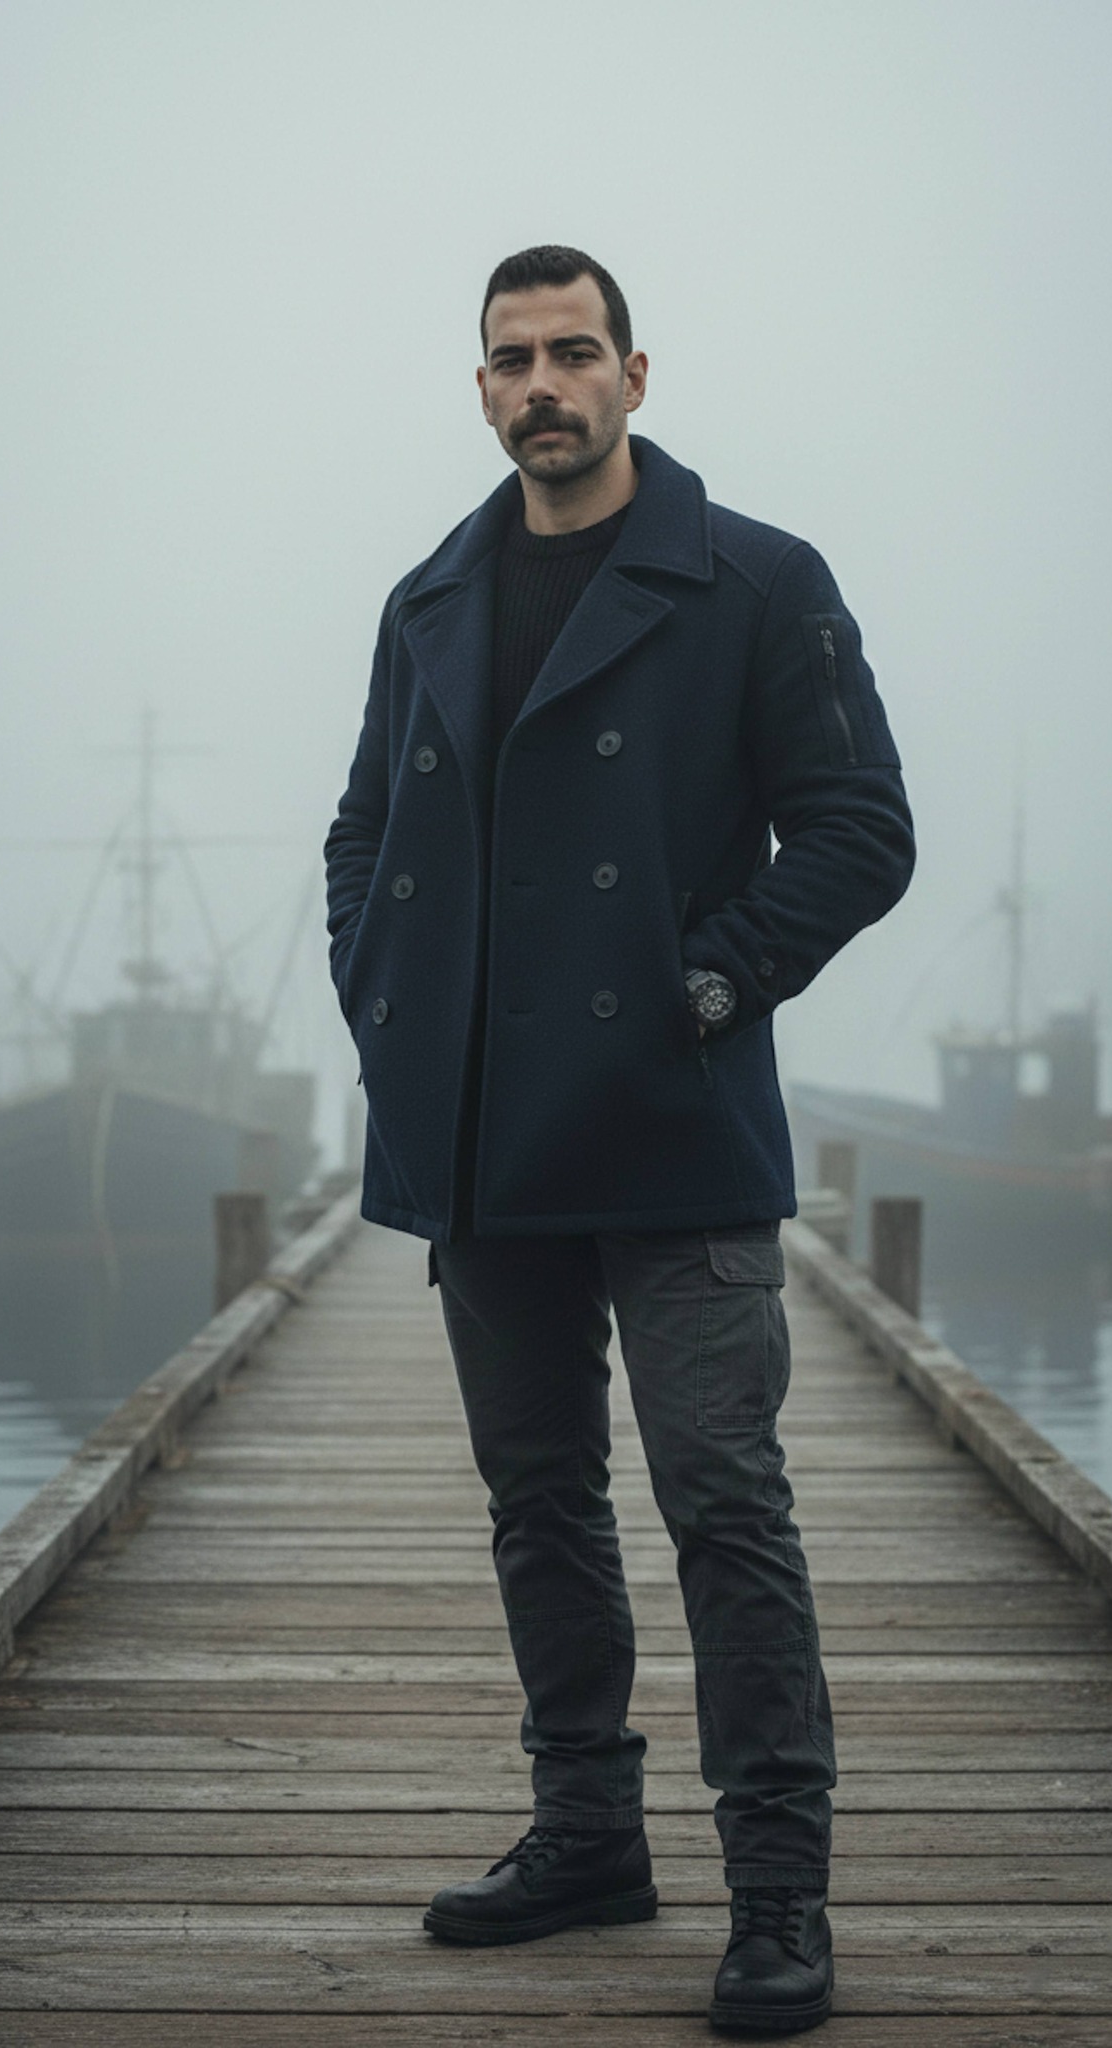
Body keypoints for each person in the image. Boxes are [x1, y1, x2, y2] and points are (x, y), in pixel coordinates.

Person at [324, 244, 914, 2036]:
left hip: (673, 1121)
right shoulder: (432, 594)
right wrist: (384, 1003)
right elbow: (360, 838)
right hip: (485, 1135)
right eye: (510, 360)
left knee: (724, 1504)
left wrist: (709, 989)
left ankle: (779, 1896)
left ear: (637, 375)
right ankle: (587, 1834)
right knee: (539, 1504)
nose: (541, 386)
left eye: (573, 352)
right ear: (482, 387)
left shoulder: (754, 581)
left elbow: (858, 831)